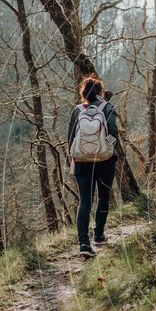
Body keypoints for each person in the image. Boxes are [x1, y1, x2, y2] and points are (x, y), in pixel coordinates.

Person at [67, 76, 118, 258]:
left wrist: (75, 156)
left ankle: (83, 244)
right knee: (104, 197)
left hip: (81, 163)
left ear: (83, 93)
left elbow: (71, 138)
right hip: (104, 161)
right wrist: (110, 152)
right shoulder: (108, 108)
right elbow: (113, 134)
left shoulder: (77, 111)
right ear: (100, 92)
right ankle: (98, 235)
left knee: (85, 201)